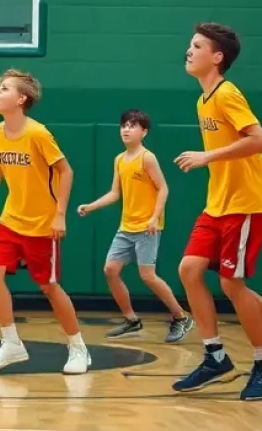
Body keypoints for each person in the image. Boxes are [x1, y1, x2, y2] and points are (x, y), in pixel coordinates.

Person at [172, 23, 262, 400]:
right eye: (190, 44)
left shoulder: (227, 93)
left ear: (217, 57)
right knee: (188, 269)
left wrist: (207, 157)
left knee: (232, 284)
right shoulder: (202, 100)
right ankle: (220, 354)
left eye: (197, 45)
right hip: (219, 200)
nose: (188, 50)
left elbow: (259, 140)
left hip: (246, 201)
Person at [0, 69, 90, 375]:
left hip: (42, 224)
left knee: (49, 286)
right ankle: (11, 343)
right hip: (11, 219)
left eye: (5, 89)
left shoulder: (38, 133)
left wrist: (60, 214)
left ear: (21, 98)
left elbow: (66, 171)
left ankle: (78, 346)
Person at [77, 109, 194, 343]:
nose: (126, 129)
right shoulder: (119, 160)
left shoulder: (147, 158)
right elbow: (114, 193)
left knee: (147, 276)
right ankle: (131, 319)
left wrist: (153, 218)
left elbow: (163, 188)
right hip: (126, 227)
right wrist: (91, 206)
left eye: (132, 125)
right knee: (110, 270)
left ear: (144, 131)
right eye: (124, 125)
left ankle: (181, 317)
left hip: (147, 227)